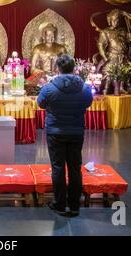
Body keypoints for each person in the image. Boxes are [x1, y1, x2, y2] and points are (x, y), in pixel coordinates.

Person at [37, 54, 93, 216]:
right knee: (75, 167)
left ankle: (60, 204)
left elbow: (40, 103)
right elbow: (89, 102)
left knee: (58, 167)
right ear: (73, 68)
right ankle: (75, 204)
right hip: (76, 131)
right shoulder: (83, 87)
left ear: (57, 68)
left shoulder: (50, 87)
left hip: (56, 132)